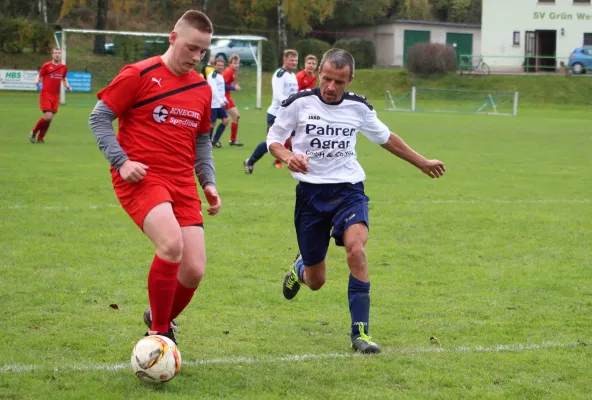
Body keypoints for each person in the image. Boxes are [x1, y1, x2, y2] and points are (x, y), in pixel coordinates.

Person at [267, 49, 446, 353]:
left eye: (339, 81)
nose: (331, 87)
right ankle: (301, 270)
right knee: (316, 281)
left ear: (350, 79)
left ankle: (360, 333)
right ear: (318, 74)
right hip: (311, 195)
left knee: (356, 250)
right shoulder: (299, 103)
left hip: (349, 190)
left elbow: (387, 138)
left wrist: (422, 162)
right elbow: (274, 138)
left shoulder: (358, 107)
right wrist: (287, 155)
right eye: (326, 79)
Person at [88, 10, 221, 345]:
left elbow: (202, 139)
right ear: (173, 37)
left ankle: (159, 316)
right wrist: (121, 161)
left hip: (182, 183)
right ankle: (160, 333)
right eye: (191, 48)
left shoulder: (202, 90)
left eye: (203, 51)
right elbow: (99, 118)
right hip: (141, 177)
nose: (196, 57)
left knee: (194, 269)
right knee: (171, 244)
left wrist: (208, 181)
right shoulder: (138, 74)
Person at [243, 49, 298, 173]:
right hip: (276, 114)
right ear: (285, 60)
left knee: (294, 139)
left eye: (295, 60)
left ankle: (297, 166)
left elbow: (293, 95)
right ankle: (250, 161)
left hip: (289, 114)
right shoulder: (280, 74)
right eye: (291, 60)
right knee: (272, 143)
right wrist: (291, 104)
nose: (294, 63)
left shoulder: (292, 75)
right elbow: (278, 96)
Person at [29, 47, 72, 143]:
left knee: (49, 119)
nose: (57, 54)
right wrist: (37, 81)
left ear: (61, 55)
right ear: (52, 55)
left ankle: (40, 138)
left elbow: (64, 79)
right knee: (48, 116)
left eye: (59, 53)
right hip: (46, 94)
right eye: (55, 53)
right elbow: (39, 75)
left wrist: (68, 86)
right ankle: (33, 132)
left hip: (55, 96)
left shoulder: (63, 67)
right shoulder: (46, 66)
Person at [207, 57, 229, 148]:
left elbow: (221, 90)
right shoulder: (212, 76)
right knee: (212, 123)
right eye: (218, 65)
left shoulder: (220, 75)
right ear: (214, 65)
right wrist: (220, 101)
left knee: (225, 121)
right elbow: (214, 90)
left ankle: (215, 141)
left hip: (219, 103)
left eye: (222, 65)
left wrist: (224, 99)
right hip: (213, 104)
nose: (220, 67)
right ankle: (207, 143)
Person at [222, 54, 243, 146]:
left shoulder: (232, 72)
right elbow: (222, 85)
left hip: (227, 97)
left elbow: (227, 84)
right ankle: (231, 140)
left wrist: (233, 86)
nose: (236, 65)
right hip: (224, 98)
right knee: (232, 117)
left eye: (238, 63)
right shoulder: (228, 71)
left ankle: (233, 140)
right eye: (234, 63)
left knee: (235, 117)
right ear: (230, 63)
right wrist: (234, 88)